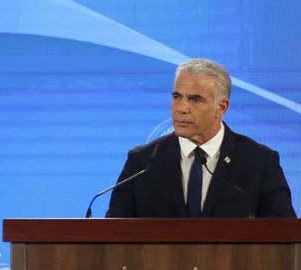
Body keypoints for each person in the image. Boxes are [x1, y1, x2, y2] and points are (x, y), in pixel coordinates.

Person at [106, 58, 296, 218]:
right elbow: (113, 236)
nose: (181, 108)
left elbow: (285, 239)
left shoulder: (258, 162)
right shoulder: (141, 162)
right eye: (177, 96)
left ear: (221, 108)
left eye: (195, 99)